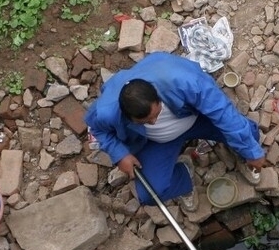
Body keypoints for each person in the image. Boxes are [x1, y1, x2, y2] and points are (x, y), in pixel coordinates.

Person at [85, 52, 267, 210]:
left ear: (158, 96)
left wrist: (251, 152)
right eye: (145, 122)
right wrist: (120, 154)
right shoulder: (107, 111)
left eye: (156, 114)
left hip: (195, 120)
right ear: (126, 116)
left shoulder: (185, 82)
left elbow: (223, 113)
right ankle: (184, 175)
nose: (154, 122)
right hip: (155, 142)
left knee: (250, 136)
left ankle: (241, 156)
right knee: (151, 193)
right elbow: (99, 131)